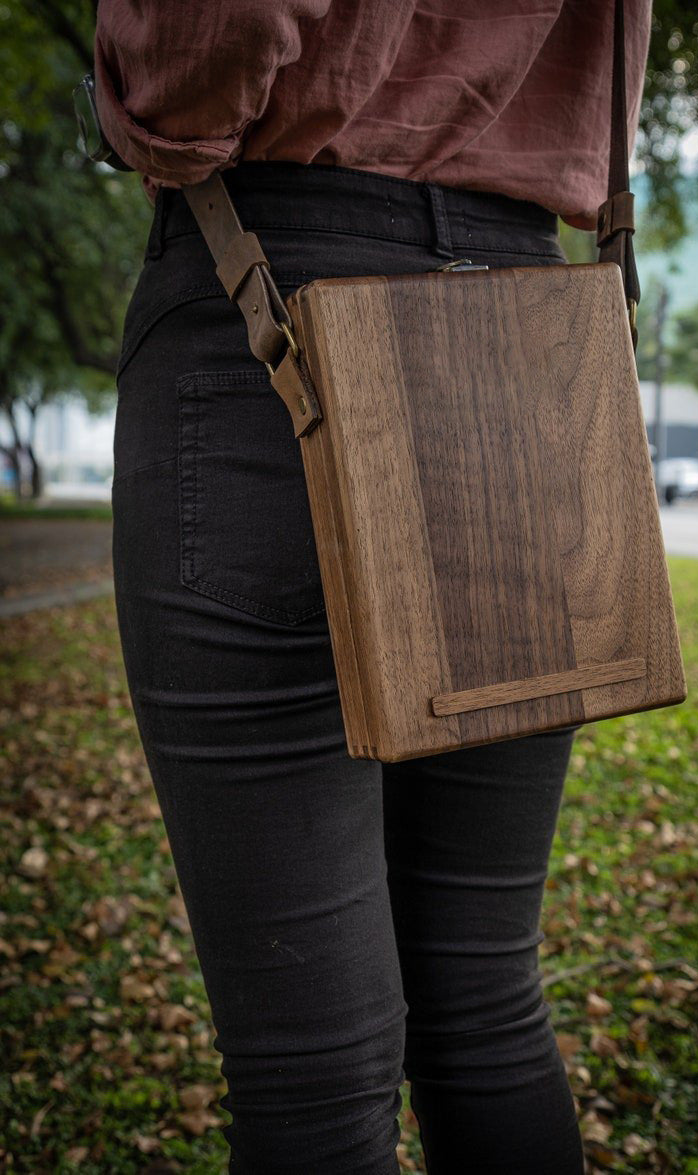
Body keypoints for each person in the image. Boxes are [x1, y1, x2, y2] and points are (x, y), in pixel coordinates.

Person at [95, 2, 651, 1171]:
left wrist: (154, 113)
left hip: (272, 283)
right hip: (525, 323)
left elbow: (210, 38)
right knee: (486, 1000)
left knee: (314, 1075)